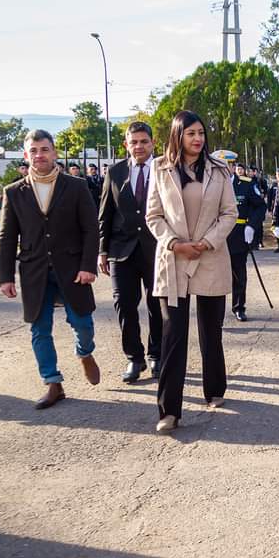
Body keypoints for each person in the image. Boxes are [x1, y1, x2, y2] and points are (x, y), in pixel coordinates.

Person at [145, 111, 238, 433]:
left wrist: (206, 242)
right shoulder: (160, 168)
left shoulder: (219, 170)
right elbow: (153, 216)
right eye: (190, 134)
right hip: (174, 259)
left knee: (211, 331)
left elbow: (229, 213)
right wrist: (174, 243)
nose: (197, 139)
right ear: (178, 136)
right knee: (173, 335)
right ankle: (169, 410)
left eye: (200, 133)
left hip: (209, 256)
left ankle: (214, 390)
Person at [0, 130, 101, 409]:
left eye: (44, 149)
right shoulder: (14, 192)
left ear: (54, 153)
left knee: (83, 324)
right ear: (26, 154)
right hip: (34, 271)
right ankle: (53, 382)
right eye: (34, 150)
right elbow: (7, 237)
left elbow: (91, 229)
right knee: (39, 329)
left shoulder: (76, 186)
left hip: (72, 269)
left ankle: (85, 353)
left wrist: (88, 266)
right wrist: (5, 277)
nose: (39, 155)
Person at [98, 121, 163, 383]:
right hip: (120, 250)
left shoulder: (165, 170)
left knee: (156, 304)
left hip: (157, 249)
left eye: (143, 141)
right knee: (124, 303)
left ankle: (156, 355)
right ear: (126, 144)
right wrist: (102, 250)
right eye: (133, 142)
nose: (138, 146)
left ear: (152, 143)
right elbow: (105, 214)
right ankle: (134, 358)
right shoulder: (114, 173)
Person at [218, 153, 267, 321]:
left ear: (232, 167)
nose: (225, 168)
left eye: (228, 165)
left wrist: (251, 226)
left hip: (238, 234)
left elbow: (260, 206)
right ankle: (215, 310)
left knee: (238, 273)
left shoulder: (245, 185)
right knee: (215, 275)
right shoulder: (207, 184)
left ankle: (239, 307)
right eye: (221, 164)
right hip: (215, 237)